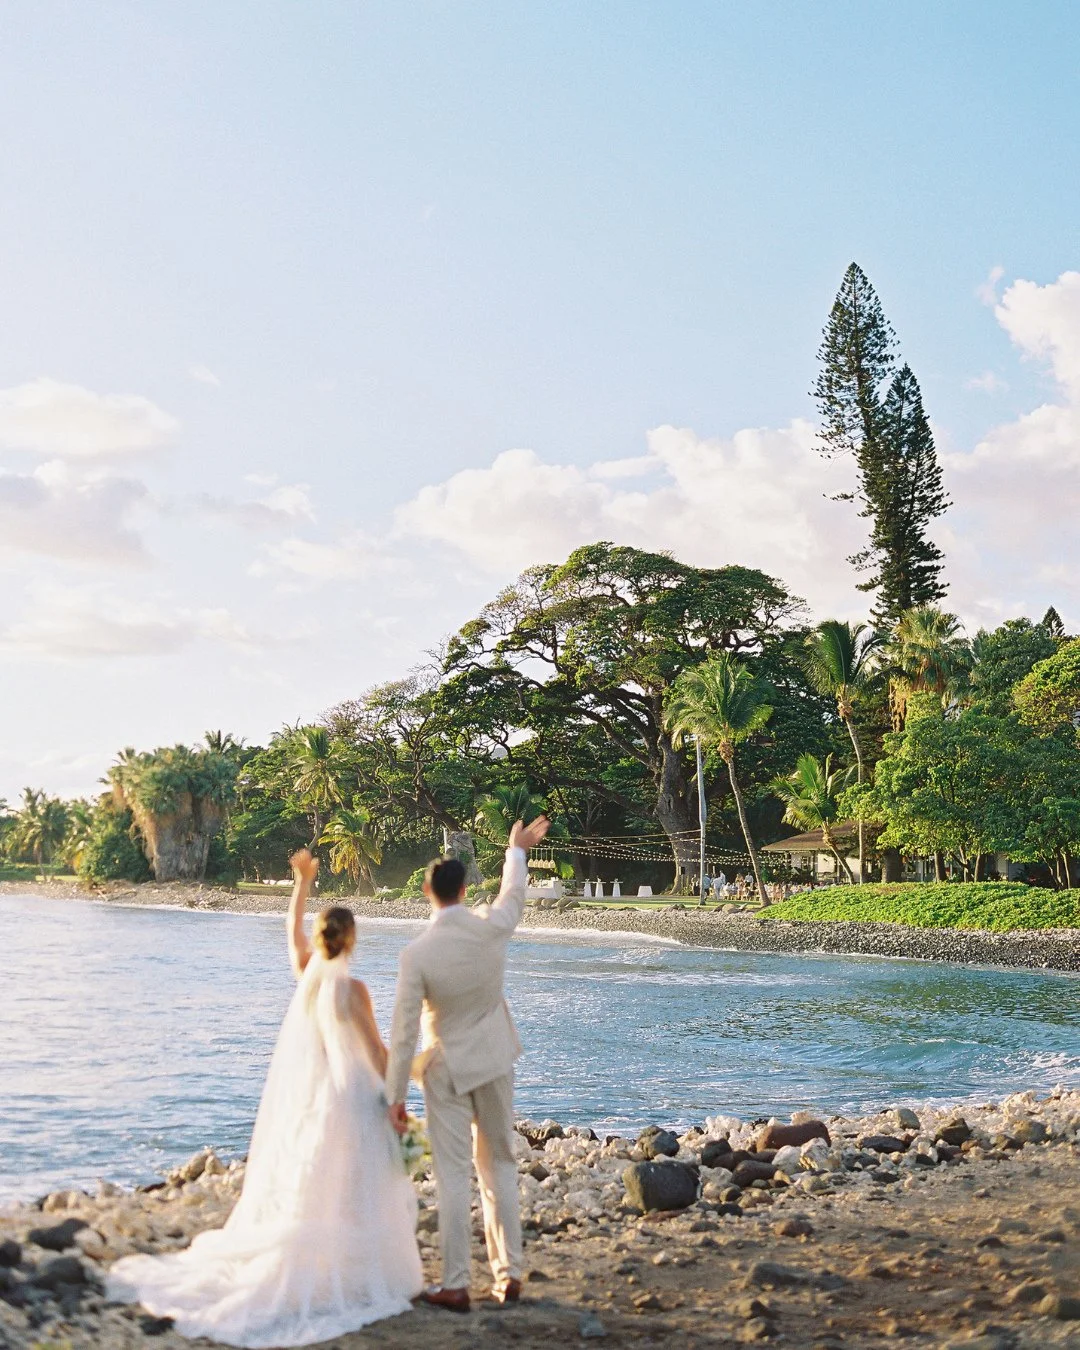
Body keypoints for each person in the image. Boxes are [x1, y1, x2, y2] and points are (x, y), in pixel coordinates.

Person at [107, 850, 422, 1347]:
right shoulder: (352, 990)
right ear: (352, 940)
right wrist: (399, 1095)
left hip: (319, 1098)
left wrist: (303, 882)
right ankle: (357, 1268)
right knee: (359, 1180)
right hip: (355, 1093)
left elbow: (293, 931)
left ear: (322, 940)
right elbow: (377, 1051)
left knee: (321, 1177)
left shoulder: (309, 979)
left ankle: (321, 1258)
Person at [385, 814, 552, 1314]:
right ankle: (510, 1275)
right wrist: (515, 851)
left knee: (455, 1174)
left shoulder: (417, 954)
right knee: (500, 1165)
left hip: (448, 1070)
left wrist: (394, 1097)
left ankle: (456, 1283)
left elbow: (404, 1033)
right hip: (497, 1059)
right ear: (463, 888)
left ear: (425, 890)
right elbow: (513, 897)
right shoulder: (490, 930)